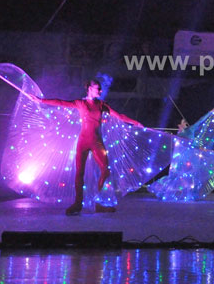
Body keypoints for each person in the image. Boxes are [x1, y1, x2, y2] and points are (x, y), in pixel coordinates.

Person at [30, 79, 143, 215]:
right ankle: (78, 203)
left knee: (105, 171)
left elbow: (119, 116)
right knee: (79, 173)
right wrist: (41, 101)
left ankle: (98, 203)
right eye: (98, 88)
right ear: (89, 88)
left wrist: (135, 122)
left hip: (97, 142)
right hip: (83, 141)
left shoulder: (101, 105)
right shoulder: (81, 103)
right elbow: (60, 102)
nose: (100, 91)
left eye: (100, 89)